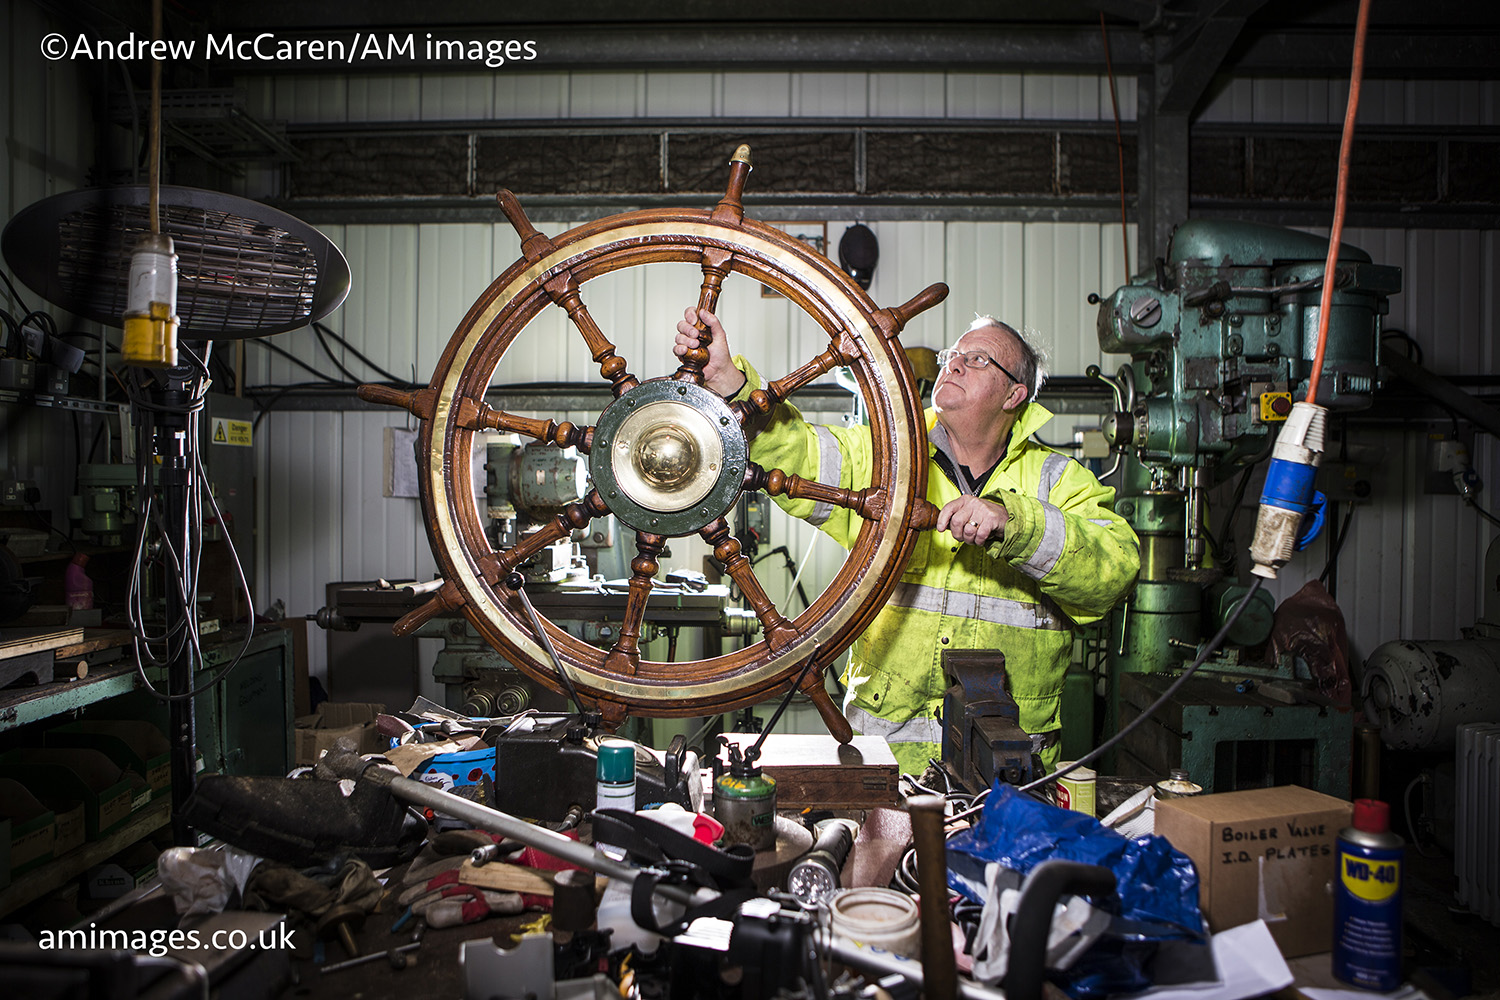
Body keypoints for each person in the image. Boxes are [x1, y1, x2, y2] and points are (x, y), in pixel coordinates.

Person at [674, 309, 1140, 774]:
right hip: (886, 763)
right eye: (952, 354)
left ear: (1015, 393)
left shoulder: (1059, 483)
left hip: (1012, 770)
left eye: (976, 359)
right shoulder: (886, 458)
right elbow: (798, 453)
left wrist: (1013, 523)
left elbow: (1112, 571)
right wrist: (731, 382)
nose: (952, 364)